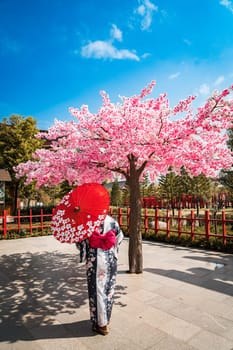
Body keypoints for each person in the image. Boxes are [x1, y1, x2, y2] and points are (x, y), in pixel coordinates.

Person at [76, 214, 124, 335]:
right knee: (108, 291)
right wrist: (112, 250)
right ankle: (105, 320)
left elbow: (81, 243)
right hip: (109, 261)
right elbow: (119, 238)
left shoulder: (87, 223)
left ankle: (100, 324)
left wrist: (84, 252)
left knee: (96, 291)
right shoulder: (113, 221)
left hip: (94, 261)